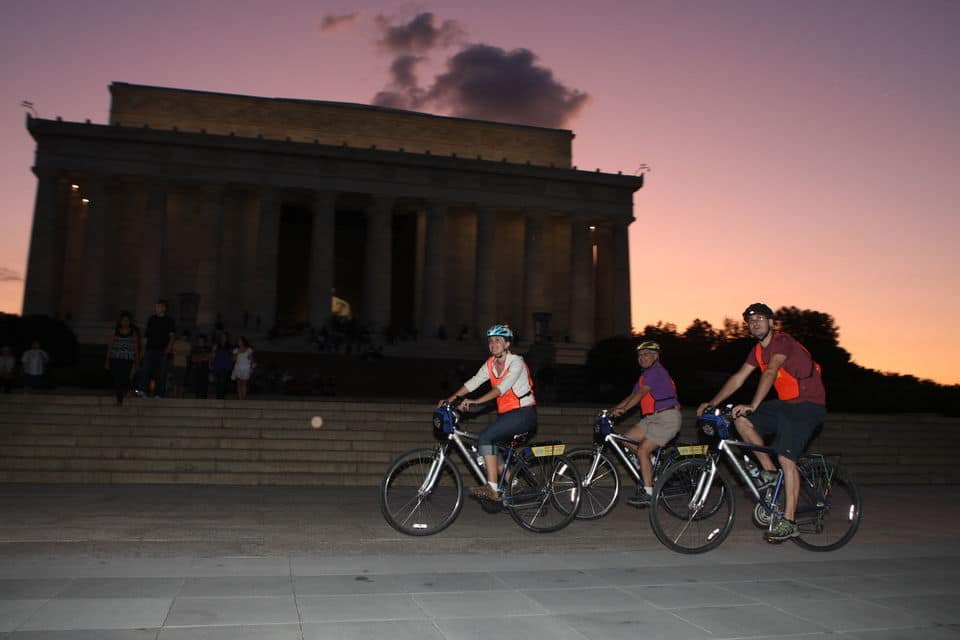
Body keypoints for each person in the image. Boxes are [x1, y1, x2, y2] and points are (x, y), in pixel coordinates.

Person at [697, 302, 826, 542]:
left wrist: (754, 404)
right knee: (741, 420)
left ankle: (789, 521)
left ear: (771, 322)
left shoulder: (782, 341)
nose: (755, 323)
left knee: (786, 457)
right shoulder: (756, 351)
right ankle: (769, 472)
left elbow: (771, 371)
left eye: (760, 318)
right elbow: (738, 378)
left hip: (808, 406)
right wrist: (712, 403)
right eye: (750, 320)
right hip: (787, 406)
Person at [441, 324, 537, 500]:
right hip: (508, 415)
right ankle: (515, 484)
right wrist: (451, 399)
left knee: (485, 438)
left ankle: (492, 488)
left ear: (507, 344)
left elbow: (501, 388)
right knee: (491, 449)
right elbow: (474, 382)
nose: (493, 344)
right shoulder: (490, 364)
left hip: (524, 414)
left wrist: (475, 401)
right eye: (491, 341)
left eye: (498, 341)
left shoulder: (516, 362)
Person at [610, 340, 682, 508]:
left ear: (656, 356)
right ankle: (649, 460)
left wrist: (624, 410)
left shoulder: (656, 372)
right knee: (624, 439)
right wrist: (612, 410)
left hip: (666, 417)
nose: (642, 357)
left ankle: (648, 492)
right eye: (640, 355)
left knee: (642, 450)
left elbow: (641, 394)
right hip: (650, 419)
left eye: (647, 354)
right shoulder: (645, 376)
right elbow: (632, 395)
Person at [137, 299, 176, 398]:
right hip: (150, 349)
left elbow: (172, 336)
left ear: (164, 308)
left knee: (161, 373)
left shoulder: (169, 320)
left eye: (159, 306)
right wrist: (142, 350)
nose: (157, 308)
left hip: (162, 350)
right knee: (146, 370)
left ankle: (159, 393)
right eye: (156, 306)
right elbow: (146, 336)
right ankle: (143, 391)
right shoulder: (151, 319)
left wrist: (168, 348)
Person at [104, 311, 141, 405]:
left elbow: (136, 347)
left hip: (128, 359)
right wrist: (107, 361)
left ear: (130, 322)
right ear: (120, 321)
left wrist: (137, 362)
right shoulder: (115, 331)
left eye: (127, 320)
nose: (125, 322)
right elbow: (110, 346)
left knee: (124, 378)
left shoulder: (133, 332)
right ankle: (119, 399)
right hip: (115, 358)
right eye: (123, 320)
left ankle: (129, 390)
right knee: (117, 378)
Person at [210, 332, 234, 400]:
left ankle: (222, 398)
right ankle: (218, 398)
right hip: (217, 366)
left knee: (223, 383)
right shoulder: (217, 345)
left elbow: (232, 357)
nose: (223, 338)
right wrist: (211, 363)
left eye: (224, 337)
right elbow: (212, 355)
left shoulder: (230, 346)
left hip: (225, 367)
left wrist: (231, 366)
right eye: (222, 337)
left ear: (227, 338)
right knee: (217, 383)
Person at [231, 336, 255, 400]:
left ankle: (243, 399)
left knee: (244, 383)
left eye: (240, 341)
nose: (239, 342)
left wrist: (252, 367)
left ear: (243, 341)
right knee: (238, 384)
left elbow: (252, 359)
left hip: (245, 368)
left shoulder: (248, 349)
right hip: (238, 368)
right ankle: (239, 398)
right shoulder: (235, 350)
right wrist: (238, 352)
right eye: (238, 341)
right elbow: (233, 360)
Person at [170, 330, 192, 398]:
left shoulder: (188, 344)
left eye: (186, 337)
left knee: (181, 381)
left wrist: (179, 352)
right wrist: (182, 352)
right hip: (176, 364)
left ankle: (180, 395)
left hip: (183, 365)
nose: (184, 337)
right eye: (183, 336)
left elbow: (188, 353)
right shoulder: (176, 342)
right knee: (175, 381)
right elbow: (173, 351)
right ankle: (174, 394)